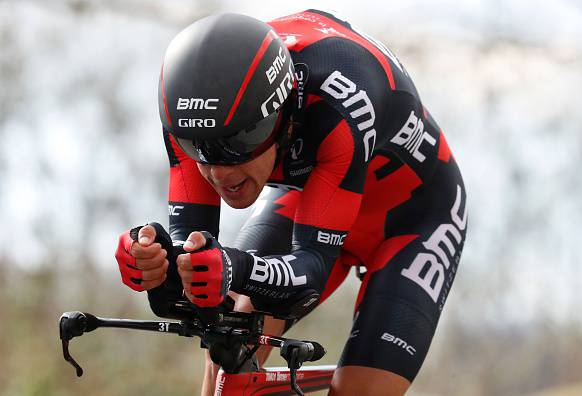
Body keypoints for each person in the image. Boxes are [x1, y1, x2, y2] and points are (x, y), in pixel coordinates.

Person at [115, 9, 467, 396]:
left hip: (413, 221)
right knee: (227, 346)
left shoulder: (342, 104)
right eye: (197, 150)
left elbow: (310, 274)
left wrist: (235, 267)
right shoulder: (190, 116)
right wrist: (158, 261)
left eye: (238, 145)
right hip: (313, 198)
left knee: (357, 390)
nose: (220, 174)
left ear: (281, 118)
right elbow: (191, 250)